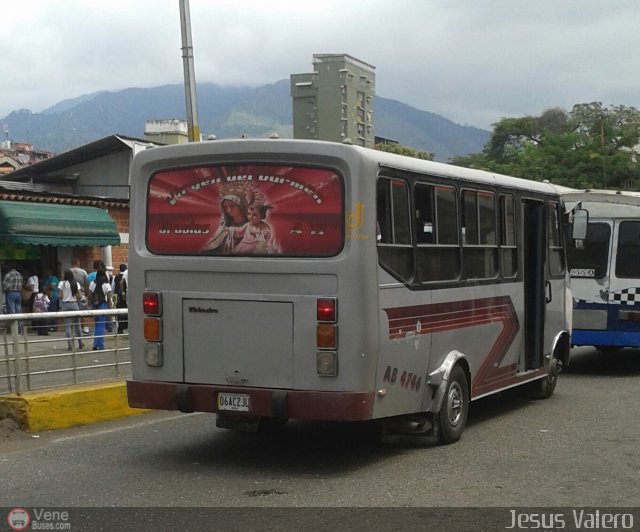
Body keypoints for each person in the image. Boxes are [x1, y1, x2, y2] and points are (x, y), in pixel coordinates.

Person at [202, 184, 251, 253]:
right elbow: (211, 245)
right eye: (226, 207)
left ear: (240, 205)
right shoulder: (223, 227)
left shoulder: (253, 224)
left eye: (232, 206)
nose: (229, 210)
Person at [58, 270, 85, 351]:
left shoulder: (61, 283)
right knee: (78, 325)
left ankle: (70, 345)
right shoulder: (76, 283)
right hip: (74, 304)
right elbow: (80, 296)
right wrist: (74, 296)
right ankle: (80, 343)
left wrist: (65, 296)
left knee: (67, 326)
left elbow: (59, 296)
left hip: (65, 305)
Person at [89, 269, 112, 350]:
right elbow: (109, 298)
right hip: (103, 305)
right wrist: (110, 308)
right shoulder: (106, 285)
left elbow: (90, 296)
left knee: (96, 325)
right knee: (101, 326)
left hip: (94, 306)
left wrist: (91, 304)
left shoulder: (92, 283)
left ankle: (95, 344)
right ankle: (100, 345)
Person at [70, 258, 90, 336]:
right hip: (81, 294)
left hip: (72, 296)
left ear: (71, 263)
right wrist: (87, 294)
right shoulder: (83, 272)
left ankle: (75, 331)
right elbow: (86, 284)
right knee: (84, 312)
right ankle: (86, 330)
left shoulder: (68, 271)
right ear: (78, 262)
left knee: (73, 314)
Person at [2, 264, 23, 332]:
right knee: (18, 312)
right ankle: (20, 329)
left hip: (10, 293)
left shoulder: (8, 275)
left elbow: (5, 286)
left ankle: (15, 330)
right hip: (18, 293)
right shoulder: (19, 274)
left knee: (12, 312)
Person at [113, 263, 128, 334]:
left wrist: (114, 297)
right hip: (126, 296)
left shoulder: (115, 277)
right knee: (127, 311)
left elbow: (113, 287)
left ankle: (120, 328)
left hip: (117, 296)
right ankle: (126, 326)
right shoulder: (127, 275)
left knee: (119, 311)